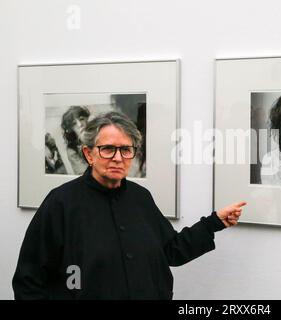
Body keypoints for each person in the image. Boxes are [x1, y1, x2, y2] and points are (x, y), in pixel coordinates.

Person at [13, 112, 246, 300]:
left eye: (126, 149)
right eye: (108, 149)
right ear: (89, 154)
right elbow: (29, 281)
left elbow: (170, 251)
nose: (118, 158)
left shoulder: (140, 197)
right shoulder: (60, 203)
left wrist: (215, 222)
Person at [61, 105, 90, 175]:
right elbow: (84, 176)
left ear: (87, 119)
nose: (80, 124)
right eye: (74, 123)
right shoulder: (72, 150)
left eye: (81, 119)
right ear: (71, 128)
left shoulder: (100, 136)